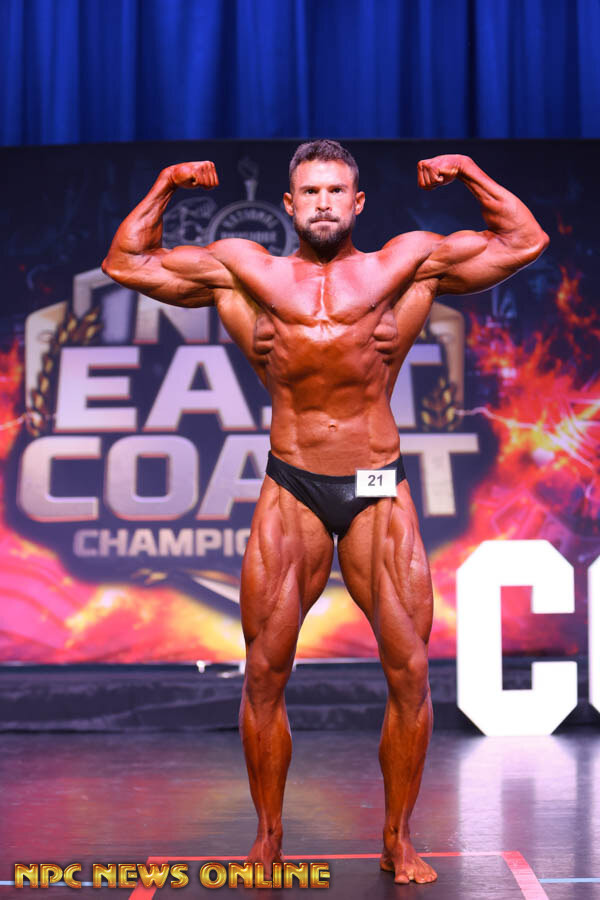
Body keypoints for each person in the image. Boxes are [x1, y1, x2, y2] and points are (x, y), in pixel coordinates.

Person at [102, 140, 548, 884]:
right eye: (309, 191)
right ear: (288, 203)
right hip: (293, 485)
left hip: (376, 484)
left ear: (358, 201)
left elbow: (524, 242)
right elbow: (126, 261)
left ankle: (398, 838)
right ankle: (268, 838)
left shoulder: (407, 264)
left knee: (409, 672)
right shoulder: (244, 271)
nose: (322, 203)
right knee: (263, 673)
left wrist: (469, 172)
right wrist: (167, 183)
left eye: (336, 190)